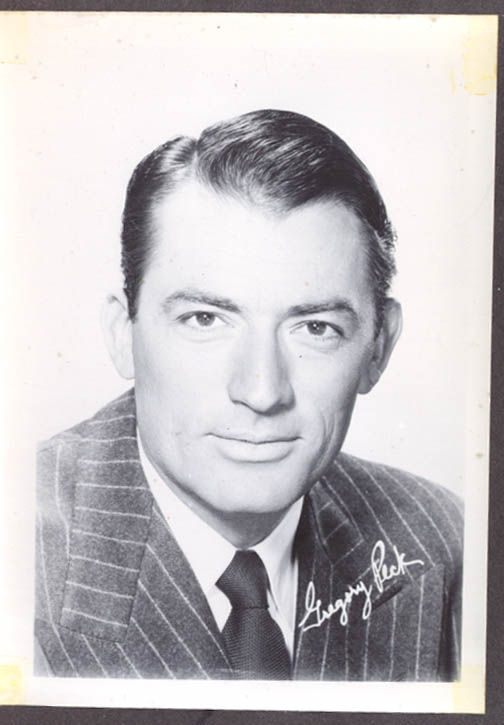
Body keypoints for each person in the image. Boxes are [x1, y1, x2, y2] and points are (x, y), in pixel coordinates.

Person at [34, 109, 463, 681]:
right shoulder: (15, 547)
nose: (261, 391)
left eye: (315, 328)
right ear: (122, 334)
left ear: (378, 346)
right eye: (205, 319)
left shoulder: (444, 538)